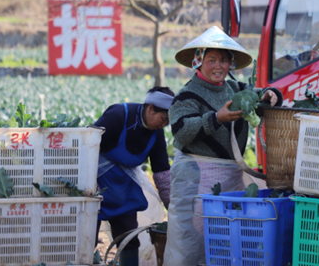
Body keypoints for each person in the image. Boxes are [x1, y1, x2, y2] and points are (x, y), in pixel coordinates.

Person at [164, 26, 282, 266]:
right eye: (212, 60)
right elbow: (182, 132)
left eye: (224, 60)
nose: (219, 66)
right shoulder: (186, 95)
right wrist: (215, 118)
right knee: (190, 239)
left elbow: (262, 94)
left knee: (227, 238)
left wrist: (271, 93)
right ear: (198, 61)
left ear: (231, 64)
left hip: (230, 176)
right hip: (193, 176)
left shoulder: (236, 89)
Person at [94, 86, 173, 266]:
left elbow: (161, 171)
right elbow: (88, 145)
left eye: (168, 121)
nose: (164, 124)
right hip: (97, 185)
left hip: (124, 188)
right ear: (151, 108)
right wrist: (88, 184)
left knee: (129, 237)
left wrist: (171, 206)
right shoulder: (118, 115)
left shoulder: (157, 134)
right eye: (164, 119)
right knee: (87, 238)